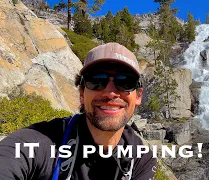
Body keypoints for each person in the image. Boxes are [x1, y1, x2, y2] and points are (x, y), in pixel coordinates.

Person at [0, 42, 157, 180]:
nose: (110, 92)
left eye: (125, 81)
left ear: (138, 96)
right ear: (82, 94)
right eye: (97, 80)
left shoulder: (140, 159)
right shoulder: (38, 144)